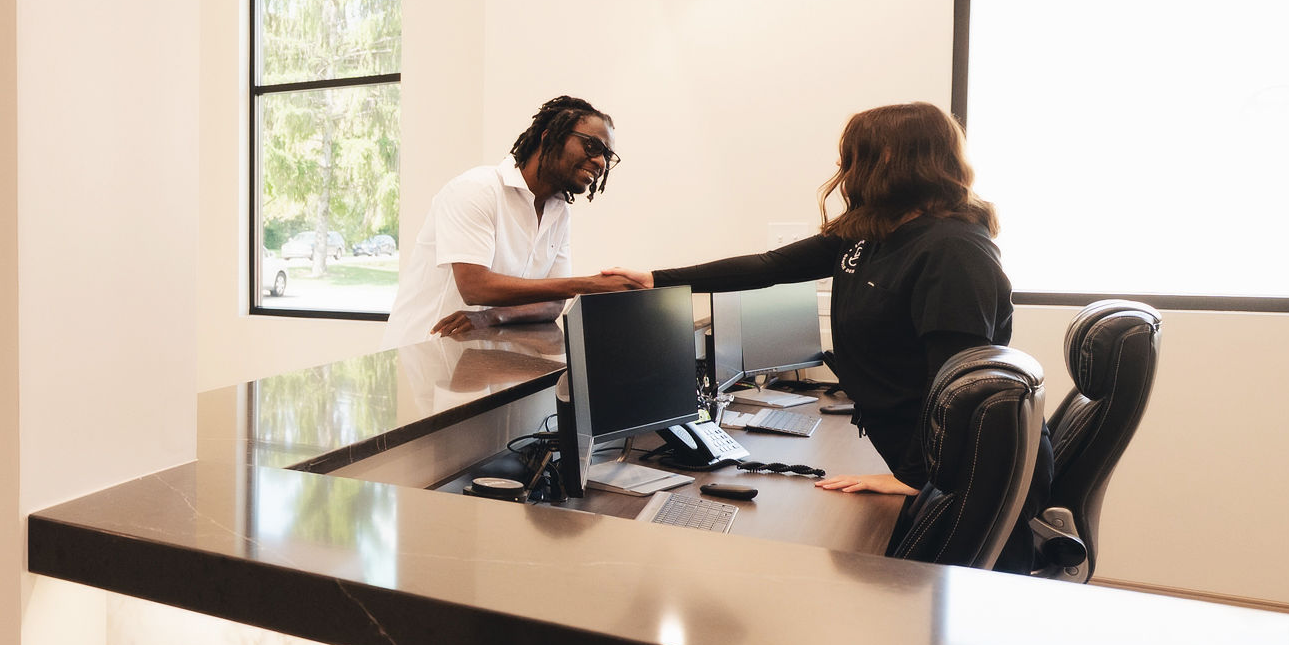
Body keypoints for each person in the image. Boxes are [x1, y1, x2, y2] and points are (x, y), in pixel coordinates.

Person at [645, 101, 1014, 498]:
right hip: (922, 463)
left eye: (854, 160)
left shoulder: (953, 249)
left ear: (890, 160)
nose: (845, 173)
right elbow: (769, 267)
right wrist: (654, 280)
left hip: (964, 478)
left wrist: (914, 477)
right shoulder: (872, 233)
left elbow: (956, 386)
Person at [390, 95, 648, 341]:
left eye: (607, 155)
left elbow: (553, 303)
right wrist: (587, 285)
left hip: (481, 360)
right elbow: (474, 287)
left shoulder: (559, 211)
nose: (600, 162)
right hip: (425, 354)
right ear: (549, 138)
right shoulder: (476, 189)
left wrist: (491, 317)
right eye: (593, 146)